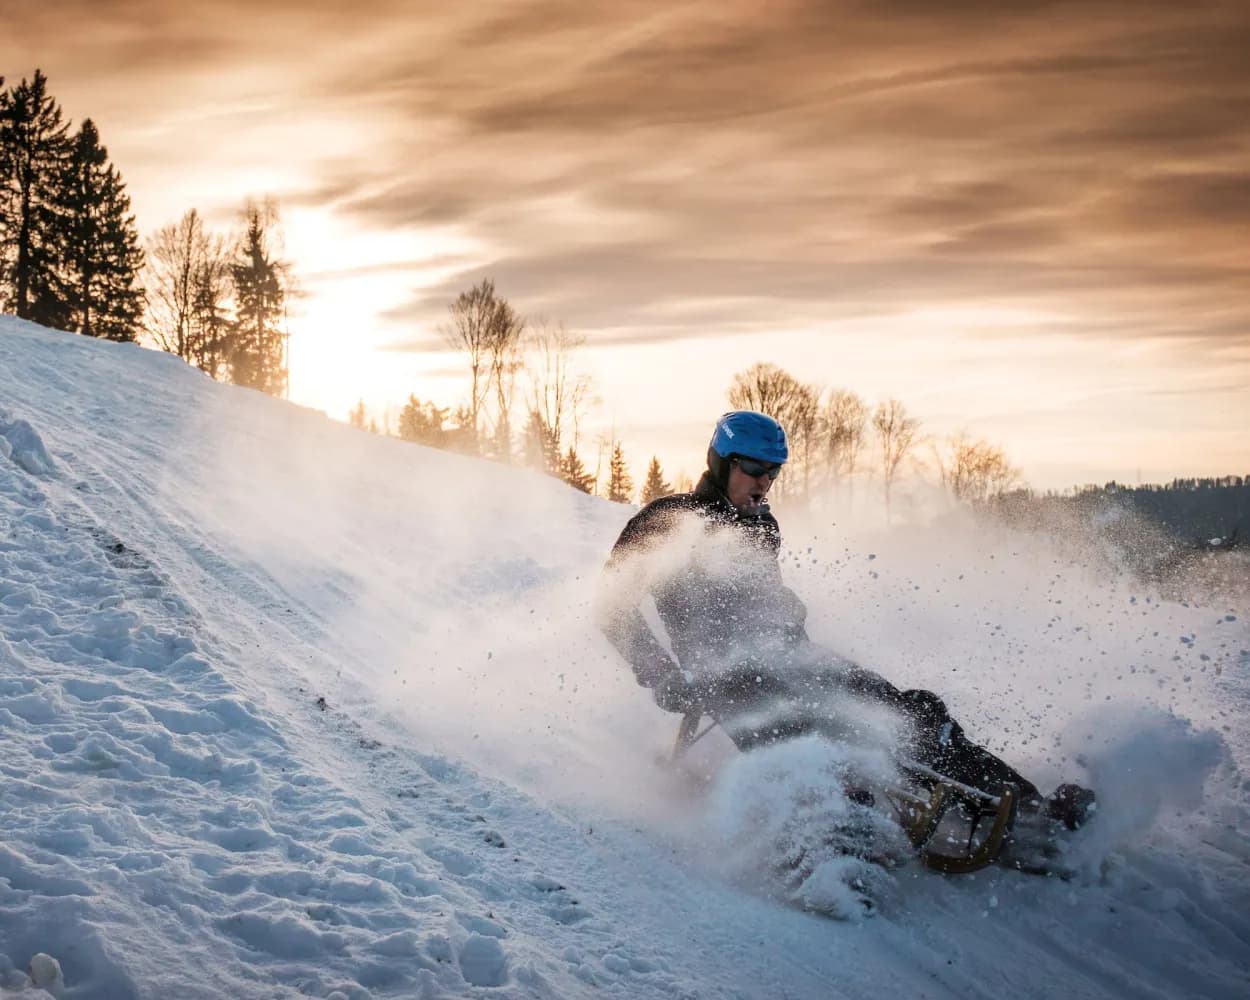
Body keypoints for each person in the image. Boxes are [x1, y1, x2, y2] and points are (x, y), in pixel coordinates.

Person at [596, 410, 1093, 828]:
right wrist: (661, 674)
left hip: (787, 655)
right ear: (722, 462)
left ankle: (1025, 810)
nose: (764, 482)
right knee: (806, 735)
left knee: (907, 712)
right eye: (753, 468)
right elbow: (611, 604)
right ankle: (840, 846)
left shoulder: (762, 526)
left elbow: (764, 596)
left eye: (773, 471)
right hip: (718, 673)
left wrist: (790, 620)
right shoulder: (668, 519)